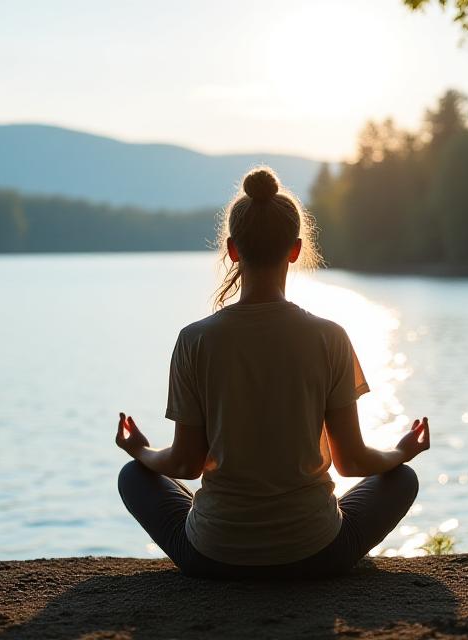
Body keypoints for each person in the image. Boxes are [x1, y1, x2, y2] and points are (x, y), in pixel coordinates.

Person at [115, 166, 430, 579]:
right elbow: (351, 461)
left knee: (132, 477)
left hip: (212, 557)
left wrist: (139, 449)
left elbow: (186, 463)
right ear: (295, 250)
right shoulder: (329, 337)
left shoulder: (195, 340)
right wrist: (402, 451)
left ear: (231, 249)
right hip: (316, 553)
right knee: (401, 479)